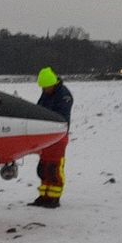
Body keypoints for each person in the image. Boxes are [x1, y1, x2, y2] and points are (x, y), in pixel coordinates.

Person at [31, 66, 73, 208]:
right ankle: (44, 195)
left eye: (46, 88)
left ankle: (54, 198)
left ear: (53, 84)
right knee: (43, 168)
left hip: (58, 136)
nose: (44, 91)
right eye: (42, 88)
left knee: (54, 168)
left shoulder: (64, 96)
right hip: (46, 136)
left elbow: (60, 116)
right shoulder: (47, 93)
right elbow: (39, 109)